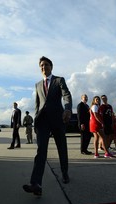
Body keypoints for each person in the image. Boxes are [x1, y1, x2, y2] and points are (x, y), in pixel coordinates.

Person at [23, 56, 72, 196]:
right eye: (41, 66)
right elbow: (37, 105)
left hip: (58, 119)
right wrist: (35, 122)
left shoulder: (59, 80)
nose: (43, 67)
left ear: (51, 66)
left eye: (46, 65)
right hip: (43, 122)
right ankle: (36, 183)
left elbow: (66, 95)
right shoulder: (38, 85)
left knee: (61, 148)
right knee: (41, 151)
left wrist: (67, 109)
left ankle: (64, 173)